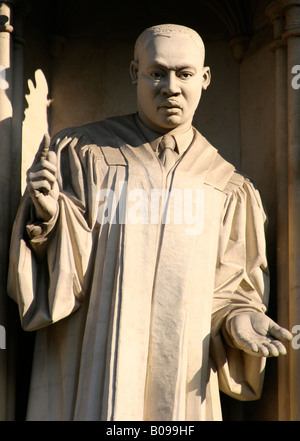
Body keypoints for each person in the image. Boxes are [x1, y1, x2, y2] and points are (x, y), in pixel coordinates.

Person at [8, 24, 292, 421]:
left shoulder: (227, 186)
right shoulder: (82, 153)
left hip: (181, 382)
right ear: (134, 73)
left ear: (205, 79)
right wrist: (47, 217)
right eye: (157, 73)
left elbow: (232, 291)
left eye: (185, 74)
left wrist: (240, 320)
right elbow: (57, 273)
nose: (171, 87)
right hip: (96, 375)